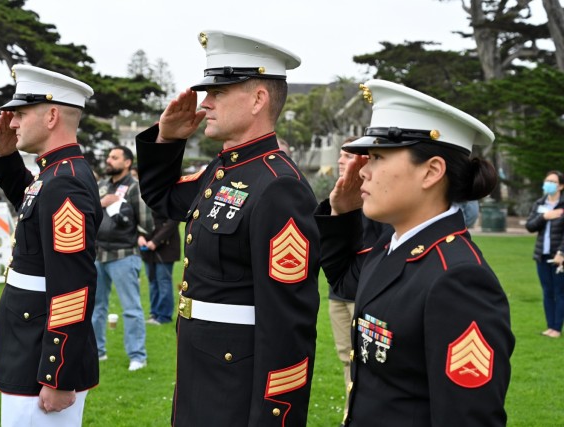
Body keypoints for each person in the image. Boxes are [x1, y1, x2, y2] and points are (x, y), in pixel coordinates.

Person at [135, 30, 320, 426]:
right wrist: (167, 139)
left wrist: (274, 417)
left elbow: (288, 324)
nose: (205, 103)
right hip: (202, 368)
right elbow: (164, 199)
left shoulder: (278, 185)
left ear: (258, 99)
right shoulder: (225, 169)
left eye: (219, 92)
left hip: (235, 385)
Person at [315, 79, 515, 426]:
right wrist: (342, 215)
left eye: (377, 157)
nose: (362, 170)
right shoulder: (390, 247)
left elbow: (467, 417)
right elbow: (348, 282)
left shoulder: (459, 279)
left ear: (431, 171)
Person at [0, 64, 102, 427]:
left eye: (20, 113)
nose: (13, 123)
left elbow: (73, 286)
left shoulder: (65, 182)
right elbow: (33, 210)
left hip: (41, 352)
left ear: (51, 115)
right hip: (27, 339)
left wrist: (58, 373)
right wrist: (6, 159)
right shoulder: (53, 174)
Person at [327, 136, 390, 426]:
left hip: (364, 291)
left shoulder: (377, 197)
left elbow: (381, 244)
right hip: (337, 291)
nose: (342, 161)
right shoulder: (338, 194)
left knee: (366, 360)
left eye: (347, 156)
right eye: (341, 156)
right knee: (345, 357)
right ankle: (350, 412)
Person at [93, 146, 148, 370]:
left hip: (124, 255)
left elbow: (147, 222)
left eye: (114, 157)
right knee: (96, 307)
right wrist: (101, 203)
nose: (109, 160)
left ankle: (137, 356)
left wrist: (137, 235)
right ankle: (97, 351)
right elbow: (89, 214)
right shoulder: (102, 186)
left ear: (127, 163)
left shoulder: (135, 187)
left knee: (131, 308)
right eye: (108, 157)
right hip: (98, 254)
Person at [525, 170, 564, 338]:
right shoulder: (539, 203)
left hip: (559, 256)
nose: (548, 183)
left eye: (553, 181)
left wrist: (562, 253)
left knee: (560, 292)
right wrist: (545, 216)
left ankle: (556, 328)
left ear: (561, 186)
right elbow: (530, 226)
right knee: (547, 291)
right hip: (542, 255)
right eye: (547, 180)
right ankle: (550, 327)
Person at [138, 209, 181, 325]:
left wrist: (156, 240)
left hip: (166, 247)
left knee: (163, 281)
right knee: (152, 281)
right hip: (147, 248)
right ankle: (154, 313)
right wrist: (140, 236)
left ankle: (164, 316)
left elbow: (173, 221)